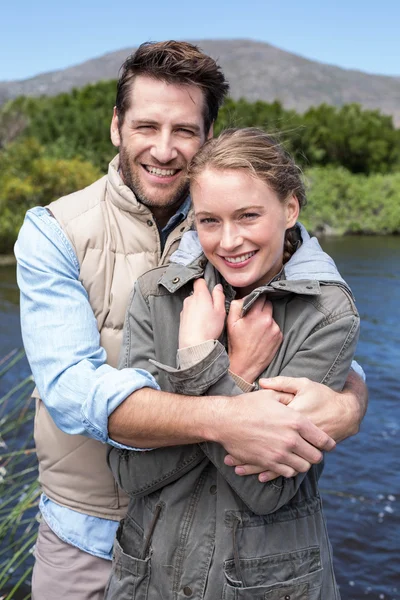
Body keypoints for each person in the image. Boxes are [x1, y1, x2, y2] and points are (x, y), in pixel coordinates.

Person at [14, 42, 367, 600]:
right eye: (146, 125)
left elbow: (322, 324)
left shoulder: (230, 221)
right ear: (116, 127)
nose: (162, 148)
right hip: (85, 534)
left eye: (183, 130)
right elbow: (71, 391)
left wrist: (350, 400)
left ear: (207, 141)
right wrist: (229, 396)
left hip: (221, 542)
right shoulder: (54, 231)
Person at [105, 128, 360, 599]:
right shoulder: (156, 295)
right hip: (151, 575)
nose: (228, 241)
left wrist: (198, 369)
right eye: (209, 221)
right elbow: (128, 472)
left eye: (248, 216)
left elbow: (268, 493)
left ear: (289, 209)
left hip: (266, 583)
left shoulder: (328, 315)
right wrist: (237, 376)